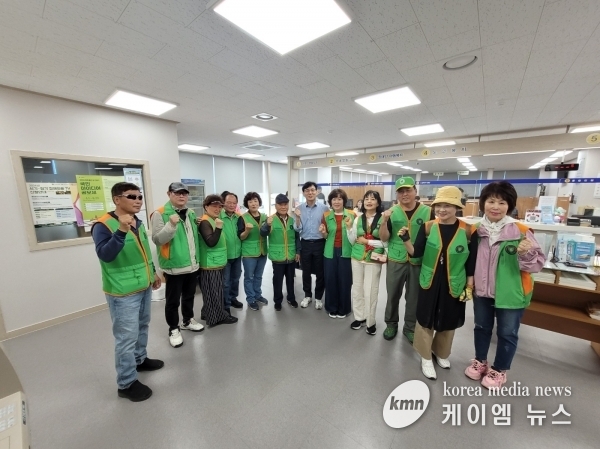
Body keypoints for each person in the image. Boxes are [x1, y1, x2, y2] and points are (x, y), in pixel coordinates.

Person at [464, 181, 545, 389]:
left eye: (502, 202)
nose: (495, 207)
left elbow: (537, 265)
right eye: (491, 201)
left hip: (511, 293)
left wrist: (526, 253)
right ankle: (480, 361)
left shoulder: (521, 230)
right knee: (481, 327)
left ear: (509, 205)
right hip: (482, 291)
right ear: (483, 203)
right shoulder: (475, 230)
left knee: (507, 333)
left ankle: (499, 370)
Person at [91, 182, 163, 402]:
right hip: (122, 292)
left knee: (142, 326)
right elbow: (106, 255)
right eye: (132, 196)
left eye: (140, 196)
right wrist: (121, 231)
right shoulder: (103, 225)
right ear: (117, 199)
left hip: (143, 285)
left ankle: (140, 360)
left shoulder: (137, 222)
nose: (138, 200)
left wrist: (153, 273)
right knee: (126, 337)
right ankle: (126, 383)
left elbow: (144, 252)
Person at [399, 186, 477, 380]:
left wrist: (469, 286)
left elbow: (472, 261)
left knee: (449, 318)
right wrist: (405, 239)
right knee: (426, 317)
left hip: (455, 282)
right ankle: (425, 356)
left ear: (457, 207)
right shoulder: (428, 227)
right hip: (429, 280)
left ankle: (441, 352)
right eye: (438, 205)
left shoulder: (468, 231)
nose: (442, 210)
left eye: (447, 205)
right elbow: (415, 253)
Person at [379, 176, 435, 344]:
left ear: (415, 191)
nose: (404, 194)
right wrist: (384, 221)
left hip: (418, 260)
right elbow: (384, 238)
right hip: (396, 259)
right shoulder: (391, 212)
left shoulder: (428, 212)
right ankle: (391, 324)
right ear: (397, 194)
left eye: (408, 190)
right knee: (392, 295)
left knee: (414, 298)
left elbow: (434, 237)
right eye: (401, 191)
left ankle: (410, 328)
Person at [151, 182, 203, 349]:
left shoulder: (191, 213)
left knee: (189, 296)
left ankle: (187, 320)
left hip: (192, 264)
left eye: (184, 193)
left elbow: (191, 239)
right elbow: (158, 240)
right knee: (173, 301)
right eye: (177, 193)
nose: (182, 196)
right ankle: (173, 329)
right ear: (169, 194)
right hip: (174, 266)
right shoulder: (160, 213)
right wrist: (171, 225)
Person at [347, 190, 386, 335]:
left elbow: (386, 242)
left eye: (373, 199)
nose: (369, 201)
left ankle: (371, 321)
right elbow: (353, 240)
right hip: (357, 257)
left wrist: (368, 242)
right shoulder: (358, 219)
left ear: (378, 202)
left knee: (371, 291)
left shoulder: (383, 219)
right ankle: (359, 317)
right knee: (357, 289)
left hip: (373, 259)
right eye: (366, 199)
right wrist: (349, 228)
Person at [198, 195, 238, 326]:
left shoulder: (212, 219)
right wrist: (219, 228)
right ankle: (218, 317)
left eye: (220, 206)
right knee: (215, 292)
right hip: (210, 263)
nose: (217, 209)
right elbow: (211, 242)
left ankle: (206, 313)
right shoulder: (205, 221)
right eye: (214, 206)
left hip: (216, 261)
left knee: (211, 291)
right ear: (206, 207)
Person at [260, 194, 300, 310]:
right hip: (278, 257)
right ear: (276, 206)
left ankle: (291, 298)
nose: (283, 207)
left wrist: (298, 251)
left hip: (291, 255)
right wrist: (267, 225)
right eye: (280, 204)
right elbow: (263, 233)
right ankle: (277, 301)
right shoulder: (270, 219)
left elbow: (297, 237)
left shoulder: (292, 220)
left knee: (290, 280)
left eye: (285, 204)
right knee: (277, 280)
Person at [294, 181, 330, 309]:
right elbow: (297, 229)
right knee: (306, 272)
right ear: (303, 193)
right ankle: (307, 295)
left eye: (312, 190)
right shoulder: (299, 209)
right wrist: (297, 218)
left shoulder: (325, 208)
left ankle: (319, 297)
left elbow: (328, 227)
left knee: (320, 272)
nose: (310, 192)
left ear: (317, 192)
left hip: (320, 243)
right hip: (305, 243)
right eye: (307, 190)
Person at [319, 189, 355, 318]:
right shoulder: (326, 215)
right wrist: (323, 233)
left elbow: (355, 235)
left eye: (339, 199)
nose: (337, 202)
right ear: (330, 201)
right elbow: (326, 236)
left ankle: (344, 308)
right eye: (334, 199)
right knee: (330, 280)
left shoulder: (352, 215)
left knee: (345, 280)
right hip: (330, 252)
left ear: (344, 201)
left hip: (347, 251)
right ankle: (331, 307)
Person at [238, 192, 268, 311]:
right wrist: (247, 230)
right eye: (250, 201)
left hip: (262, 251)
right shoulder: (243, 218)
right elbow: (241, 237)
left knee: (259, 276)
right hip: (249, 253)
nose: (253, 203)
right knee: (249, 277)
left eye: (255, 201)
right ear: (247, 204)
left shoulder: (265, 217)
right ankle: (250, 299)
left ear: (259, 203)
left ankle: (258, 295)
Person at [220, 191, 244, 314]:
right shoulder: (218, 216)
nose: (231, 205)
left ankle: (233, 298)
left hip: (237, 254)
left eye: (234, 203)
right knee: (225, 282)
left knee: (236, 279)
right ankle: (226, 305)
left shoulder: (238, 217)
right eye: (229, 202)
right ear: (223, 202)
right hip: (225, 255)